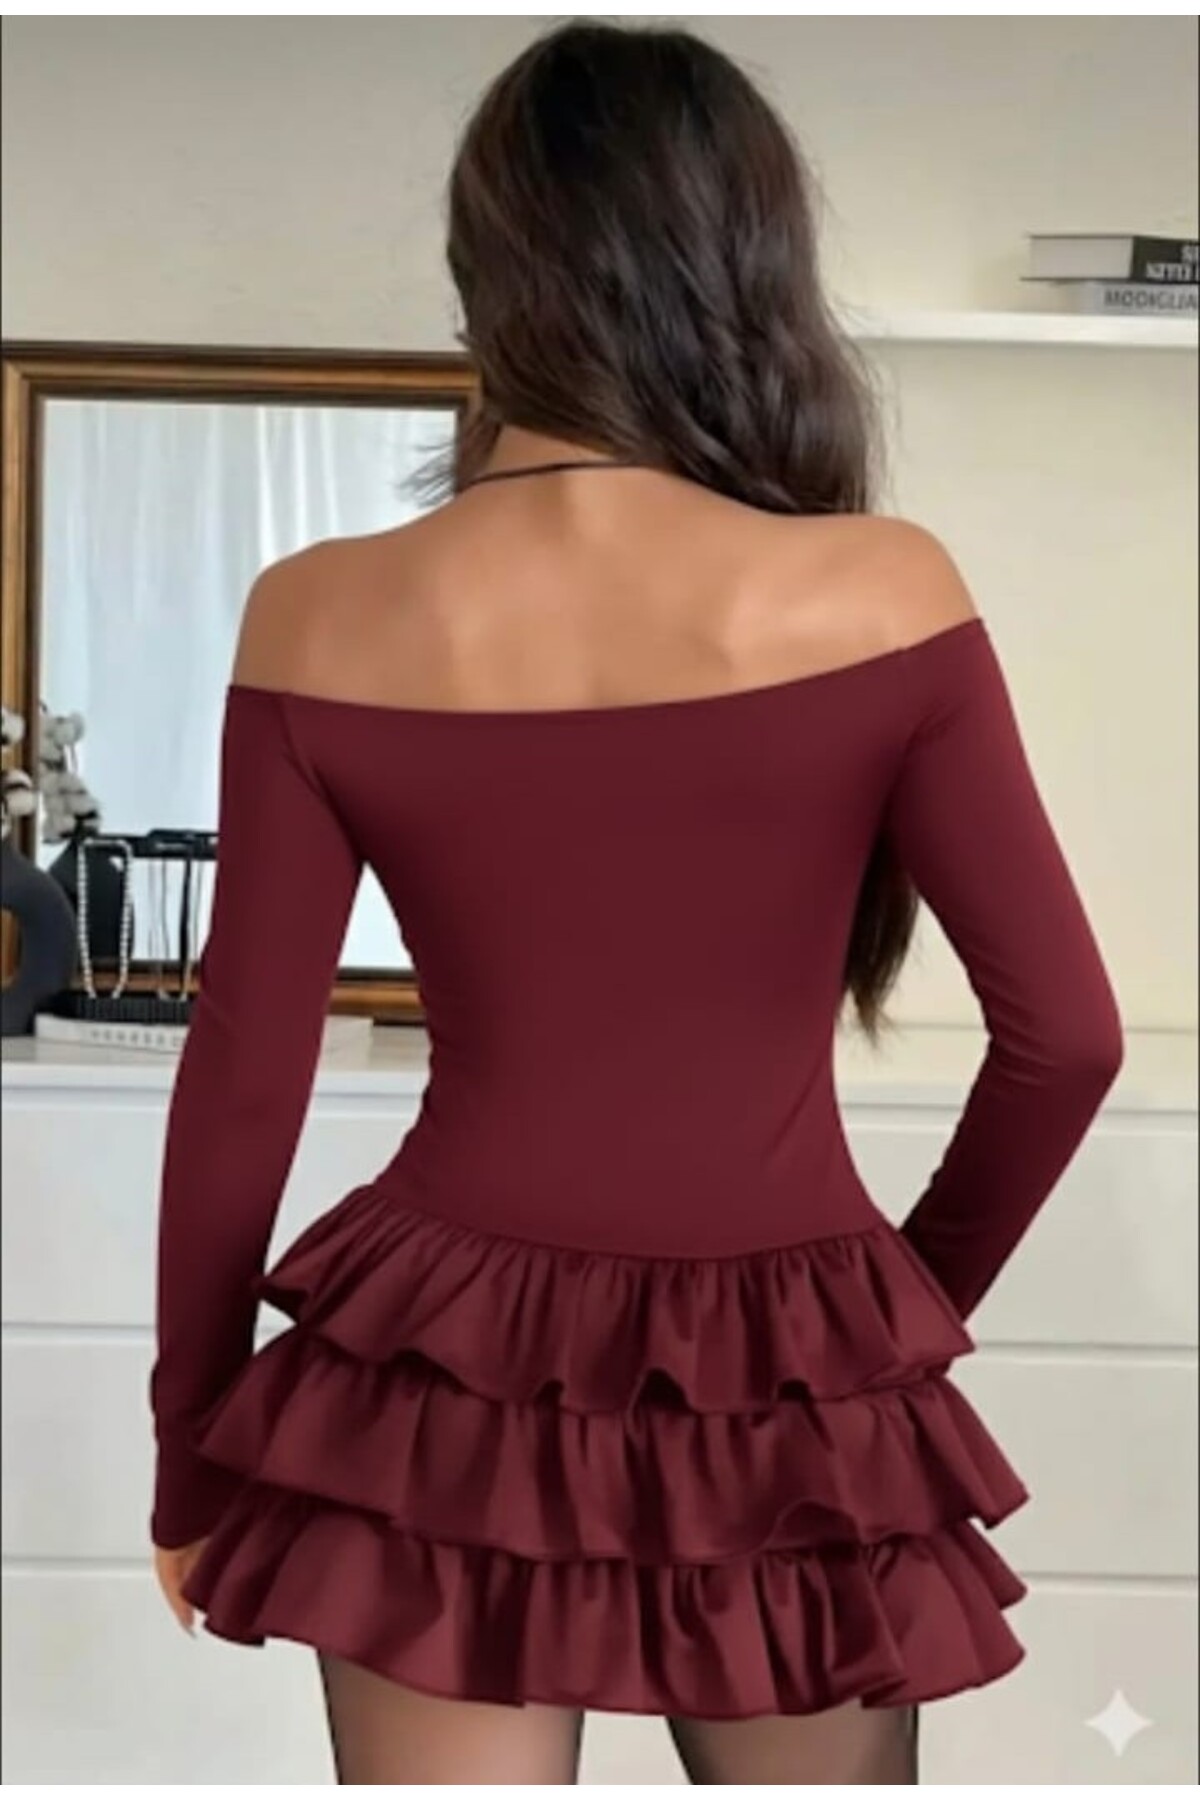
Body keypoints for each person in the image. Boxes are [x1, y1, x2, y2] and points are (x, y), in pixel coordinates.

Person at [147, 19, 1124, 1786]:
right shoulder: (879, 590)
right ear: (749, 260)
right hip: (784, 1359)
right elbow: (1066, 1041)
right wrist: (891, 1316)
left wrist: (192, 1447)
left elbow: (243, 1079)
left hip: (438, 1379)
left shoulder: (321, 613)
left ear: (487, 266)